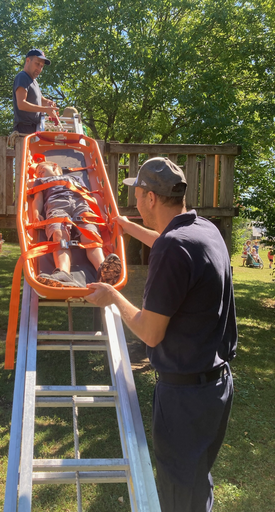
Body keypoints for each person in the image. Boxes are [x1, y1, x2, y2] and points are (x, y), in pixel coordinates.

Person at [85, 157, 238, 512]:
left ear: (150, 198)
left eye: (136, 195)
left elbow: (150, 333)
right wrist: (125, 225)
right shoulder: (203, 229)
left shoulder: (174, 248)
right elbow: (165, 242)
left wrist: (113, 297)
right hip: (215, 388)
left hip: (185, 398)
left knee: (177, 494)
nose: (135, 202)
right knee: (195, 479)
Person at [31, 161, 121, 288]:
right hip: (57, 204)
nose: (38, 173)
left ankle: (103, 271)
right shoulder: (41, 181)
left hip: (80, 203)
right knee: (59, 233)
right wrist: (35, 214)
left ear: (55, 165)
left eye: (41, 168)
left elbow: (88, 196)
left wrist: (100, 212)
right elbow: (38, 199)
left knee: (90, 234)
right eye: (36, 172)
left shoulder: (75, 178)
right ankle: (63, 273)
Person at [12, 48, 58, 134]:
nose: (39, 69)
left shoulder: (34, 81)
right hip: (24, 131)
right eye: (37, 64)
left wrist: (48, 103)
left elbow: (39, 99)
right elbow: (21, 104)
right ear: (28, 60)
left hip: (34, 130)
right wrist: (45, 109)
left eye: (42, 66)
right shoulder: (22, 77)